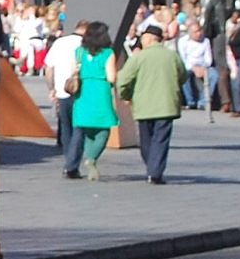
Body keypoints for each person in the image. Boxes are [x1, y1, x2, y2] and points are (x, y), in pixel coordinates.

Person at [118, 26, 185, 185]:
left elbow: (123, 80)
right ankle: (155, 171)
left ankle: (152, 167)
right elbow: (183, 76)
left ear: (147, 39)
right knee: (161, 140)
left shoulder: (138, 58)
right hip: (166, 105)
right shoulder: (172, 56)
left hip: (143, 106)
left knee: (146, 140)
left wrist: (126, 96)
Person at [64, 21, 119, 181]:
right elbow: (111, 77)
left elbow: (73, 72)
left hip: (83, 93)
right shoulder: (108, 53)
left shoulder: (79, 52)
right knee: (103, 130)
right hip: (100, 92)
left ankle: (88, 157)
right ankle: (92, 158)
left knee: (86, 130)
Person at [42, 18, 85, 164]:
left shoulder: (59, 42)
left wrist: (51, 88)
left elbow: (48, 68)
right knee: (79, 128)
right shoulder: (86, 45)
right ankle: (74, 160)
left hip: (62, 90)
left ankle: (69, 159)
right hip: (81, 92)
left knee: (66, 128)